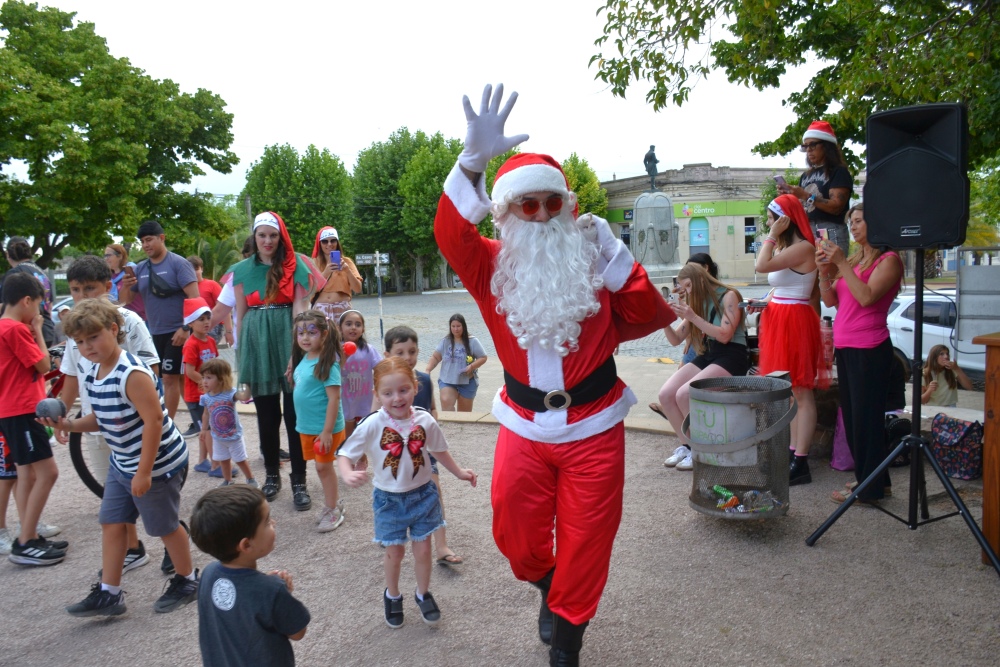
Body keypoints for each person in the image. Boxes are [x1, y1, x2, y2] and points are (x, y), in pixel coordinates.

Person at [434, 85, 671, 665]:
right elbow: (449, 234)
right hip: (524, 423)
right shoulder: (490, 263)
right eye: (527, 205)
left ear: (566, 206)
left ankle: (568, 640)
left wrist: (615, 255)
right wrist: (471, 162)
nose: (541, 215)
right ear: (507, 212)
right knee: (515, 535)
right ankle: (547, 585)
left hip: (595, 424)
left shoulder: (593, 257)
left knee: (589, 541)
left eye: (551, 203)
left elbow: (645, 315)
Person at [51, 298, 198, 615]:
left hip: (157, 464)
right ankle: (110, 592)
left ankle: (188, 579)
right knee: (112, 522)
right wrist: (69, 424)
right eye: (80, 341)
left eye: (93, 337)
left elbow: (154, 420)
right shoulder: (94, 371)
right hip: (124, 463)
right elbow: (102, 418)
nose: (87, 346)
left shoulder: (131, 373)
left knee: (164, 526)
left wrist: (144, 472)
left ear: (113, 330)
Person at [336, 357, 477, 629]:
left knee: (423, 549)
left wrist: (458, 471)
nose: (396, 398)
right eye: (387, 393)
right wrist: (346, 471)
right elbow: (345, 453)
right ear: (377, 395)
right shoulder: (372, 423)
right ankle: (393, 595)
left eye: (403, 390)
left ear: (415, 387)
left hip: (424, 494)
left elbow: (438, 450)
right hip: (389, 499)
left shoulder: (424, 419)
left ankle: (423, 593)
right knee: (395, 553)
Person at [55, 255, 160, 574]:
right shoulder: (76, 332)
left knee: (153, 496)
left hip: (132, 424)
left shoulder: (129, 320)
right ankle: (132, 548)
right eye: (75, 290)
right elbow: (70, 378)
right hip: (97, 424)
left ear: (107, 287)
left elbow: (151, 368)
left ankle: (173, 542)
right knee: (114, 494)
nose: (83, 296)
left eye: (90, 288)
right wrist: (62, 414)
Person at [227, 212, 323, 507]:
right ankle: (271, 475)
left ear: (281, 238)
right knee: (267, 416)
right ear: (254, 239)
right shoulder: (241, 270)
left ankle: (299, 480)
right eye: (261, 236)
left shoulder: (295, 267)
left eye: (272, 235)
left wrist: (298, 355)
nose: (267, 241)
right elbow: (239, 315)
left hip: (287, 338)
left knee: (296, 416)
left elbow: (299, 310)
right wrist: (242, 359)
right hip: (258, 344)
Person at [817, 203, 903, 504]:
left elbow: (866, 298)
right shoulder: (852, 260)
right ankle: (875, 479)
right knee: (854, 421)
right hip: (847, 347)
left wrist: (840, 264)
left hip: (871, 348)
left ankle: (870, 486)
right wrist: (824, 271)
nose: (852, 226)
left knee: (866, 421)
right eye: (850, 221)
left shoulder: (889, 261)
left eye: (859, 220)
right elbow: (831, 300)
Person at [754, 195, 829, 485]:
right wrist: (762, 302)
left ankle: (802, 461)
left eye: (773, 217)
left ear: (785, 220)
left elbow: (762, 267)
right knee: (788, 391)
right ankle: (791, 452)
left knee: (801, 391)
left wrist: (770, 237)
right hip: (780, 318)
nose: (769, 223)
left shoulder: (803, 247)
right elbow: (778, 285)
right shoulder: (792, 247)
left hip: (794, 322)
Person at [190, 485, 310, 666]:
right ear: (246, 545)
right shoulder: (272, 590)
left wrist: (263, 585)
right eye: (267, 521)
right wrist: (278, 594)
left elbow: (237, 603)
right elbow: (297, 632)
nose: (274, 523)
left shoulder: (208, 573)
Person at [656, 263, 748, 471]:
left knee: (685, 394)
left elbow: (725, 336)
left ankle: (704, 451)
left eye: (688, 286)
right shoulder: (697, 302)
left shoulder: (729, 295)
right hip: (709, 353)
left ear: (699, 279)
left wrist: (692, 316)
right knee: (666, 394)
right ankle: (689, 447)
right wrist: (662, 320)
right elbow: (675, 339)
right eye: (684, 288)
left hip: (732, 354)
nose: (687, 292)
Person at [385, 325, 463, 566]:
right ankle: (390, 533)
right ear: (387, 355)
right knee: (392, 495)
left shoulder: (425, 380)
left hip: (423, 449)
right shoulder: (382, 382)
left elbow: (431, 411)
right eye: (400, 352)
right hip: (394, 452)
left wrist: (434, 438)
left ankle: (441, 546)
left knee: (434, 492)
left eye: (412, 351)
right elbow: (373, 416)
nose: (408, 358)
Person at [0, 272, 63, 566]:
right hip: (23, 409)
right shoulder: (16, 329)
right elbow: (41, 364)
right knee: (48, 472)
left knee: (27, 473)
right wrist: (38, 329)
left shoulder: (3, 326)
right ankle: (25, 542)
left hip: (11, 410)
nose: (39, 311)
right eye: (38, 304)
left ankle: (28, 534)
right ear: (27, 301)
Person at [119, 221, 200, 421]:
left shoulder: (178, 264)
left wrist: (185, 328)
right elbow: (126, 300)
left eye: (149, 240)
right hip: (152, 332)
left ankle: (168, 424)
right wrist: (127, 285)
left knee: (171, 378)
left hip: (177, 332)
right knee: (167, 378)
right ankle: (197, 419)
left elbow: (195, 298)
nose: (146, 245)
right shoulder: (140, 268)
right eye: (142, 241)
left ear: (161, 238)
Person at [291, 311, 347, 532]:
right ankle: (332, 504)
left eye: (311, 333)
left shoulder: (328, 364)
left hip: (325, 428)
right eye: (301, 333)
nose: (305, 338)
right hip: (307, 427)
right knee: (320, 468)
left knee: (324, 467)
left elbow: (335, 398)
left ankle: (333, 508)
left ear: (324, 335)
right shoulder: (305, 359)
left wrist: (326, 431)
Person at [648, 253, 719, 419]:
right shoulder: (696, 297)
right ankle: (681, 418)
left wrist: (690, 330)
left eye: (689, 282)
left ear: (704, 270)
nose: (687, 289)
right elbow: (686, 328)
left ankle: (685, 416)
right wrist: (666, 316)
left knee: (684, 378)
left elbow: (705, 326)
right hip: (700, 346)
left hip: (715, 353)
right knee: (674, 385)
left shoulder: (721, 296)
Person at [777, 120, 852, 257]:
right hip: (808, 229)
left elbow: (836, 207)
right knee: (813, 275)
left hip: (827, 229)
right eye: (805, 146)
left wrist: (806, 195)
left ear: (826, 146)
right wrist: (789, 195)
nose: (809, 150)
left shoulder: (838, 171)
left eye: (813, 145)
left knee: (828, 273)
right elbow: (802, 206)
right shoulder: (806, 175)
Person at [198, 358, 256, 487]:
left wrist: (248, 383)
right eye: (203, 377)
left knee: (240, 459)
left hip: (234, 435)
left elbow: (244, 397)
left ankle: (250, 478)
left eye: (209, 377)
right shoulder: (206, 397)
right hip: (218, 437)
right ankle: (228, 480)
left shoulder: (230, 393)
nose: (204, 381)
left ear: (221, 379)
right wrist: (203, 429)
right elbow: (206, 414)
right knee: (223, 460)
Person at [425, 314, 488, 412]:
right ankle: (448, 426)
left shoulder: (472, 341)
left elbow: (483, 357)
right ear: (450, 327)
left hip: (467, 381)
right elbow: (436, 357)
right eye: (453, 326)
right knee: (446, 401)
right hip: (447, 380)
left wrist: (472, 366)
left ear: (463, 326)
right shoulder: (445, 341)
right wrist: (428, 370)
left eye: (458, 326)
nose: (456, 329)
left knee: (464, 415)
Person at [182, 297, 219, 459]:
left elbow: (215, 364)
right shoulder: (191, 344)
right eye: (201, 319)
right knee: (207, 430)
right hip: (196, 396)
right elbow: (189, 371)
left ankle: (202, 461)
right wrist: (207, 384)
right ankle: (216, 463)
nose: (206, 322)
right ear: (190, 323)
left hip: (208, 393)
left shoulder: (210, 340)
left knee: (207, 429)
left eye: (208, 318)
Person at [1, 236, 56, 347]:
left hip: (27, 334)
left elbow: (6, 307)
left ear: (8, 254)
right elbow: (49, 307)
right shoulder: (42, 273)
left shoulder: (15, 274)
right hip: (47, 331)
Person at [339, 309, 382, 441]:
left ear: (363, 329)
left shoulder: (368, 349)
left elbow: (380, 368)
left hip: (364, 399)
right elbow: (331, 370)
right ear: (339, 328)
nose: (353, 327)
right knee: (348, 434)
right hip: (344, 398)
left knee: (363, 434)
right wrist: (342, 357)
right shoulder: (336, 349)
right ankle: (348, 458)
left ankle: (362, 459)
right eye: (348, 324)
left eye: (358, 324)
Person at [310, 226, 362, 321]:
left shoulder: (347, 262)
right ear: (320, 244)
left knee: (343, 336)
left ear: (337, 242)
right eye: (325, 241)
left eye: (333, 240)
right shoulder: (313, 263)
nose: (329, 244)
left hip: (343, 309)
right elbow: (309, 290)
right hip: (320, 310)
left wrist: (347, 270)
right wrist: (325, 273)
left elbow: (358, 289)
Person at [188, 255, 229, 344]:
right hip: (192, 327)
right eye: (190, 270)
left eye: (196, 269)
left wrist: (229, 331)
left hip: (213, 326)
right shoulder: (185, 288)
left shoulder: (212, 285)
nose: (193, 273)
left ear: (201, 269)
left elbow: (225, 307)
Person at [104, 243, 145, 319]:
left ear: (119, 256)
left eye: (108, 255)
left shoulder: (132, 271)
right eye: (105, 256)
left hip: (139, 317)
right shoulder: (108, 277)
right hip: (120, 318)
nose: (106, 259)